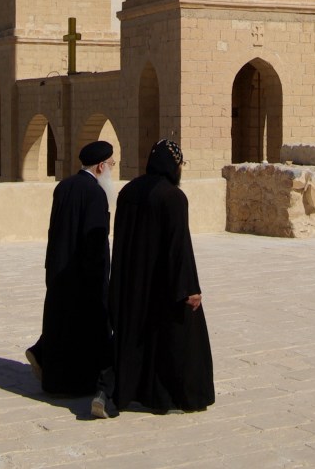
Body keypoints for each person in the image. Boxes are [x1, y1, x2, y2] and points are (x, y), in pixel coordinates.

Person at [109, 139, 215, 414]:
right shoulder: (173, 197)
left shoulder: (128, 192)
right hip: (163, 283)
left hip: (132, 282)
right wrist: (189, 288)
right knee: (182, 339)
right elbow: (179, 246)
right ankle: (177, 395)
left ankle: (134, 390)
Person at [26, 140, 115, 403]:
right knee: (85, 332)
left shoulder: (63, 187)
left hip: (59, 270)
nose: (111, 169)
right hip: (85, 276)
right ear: (100, 167)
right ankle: (82, 384)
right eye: (110, 164)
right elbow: (96, 241)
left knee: (61, 326)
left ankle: (54, 379)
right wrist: (100, 278)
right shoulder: (95, 194)